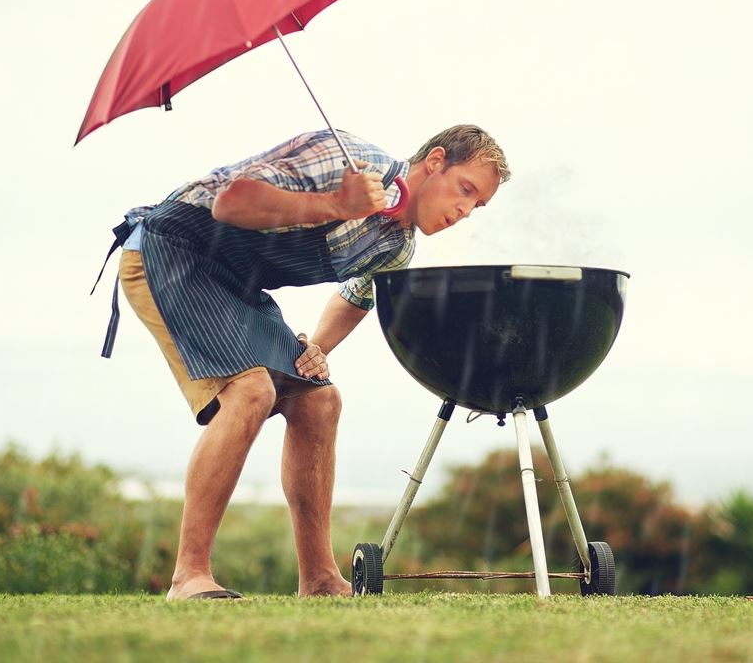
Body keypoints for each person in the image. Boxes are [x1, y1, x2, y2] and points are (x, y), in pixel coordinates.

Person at [100, 124, 509, 599]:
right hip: (169, 250)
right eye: (465, 190)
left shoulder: (397, 247)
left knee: (321, 400)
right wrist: (338, 203)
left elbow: (356, 296)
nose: (464, 211)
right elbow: (231, 202)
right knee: (251, 390)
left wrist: (318, 350)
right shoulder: (347, 159)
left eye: (476, 206)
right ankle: (189, 576)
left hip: (236, 286)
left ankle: (318, 579)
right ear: (435, 161)